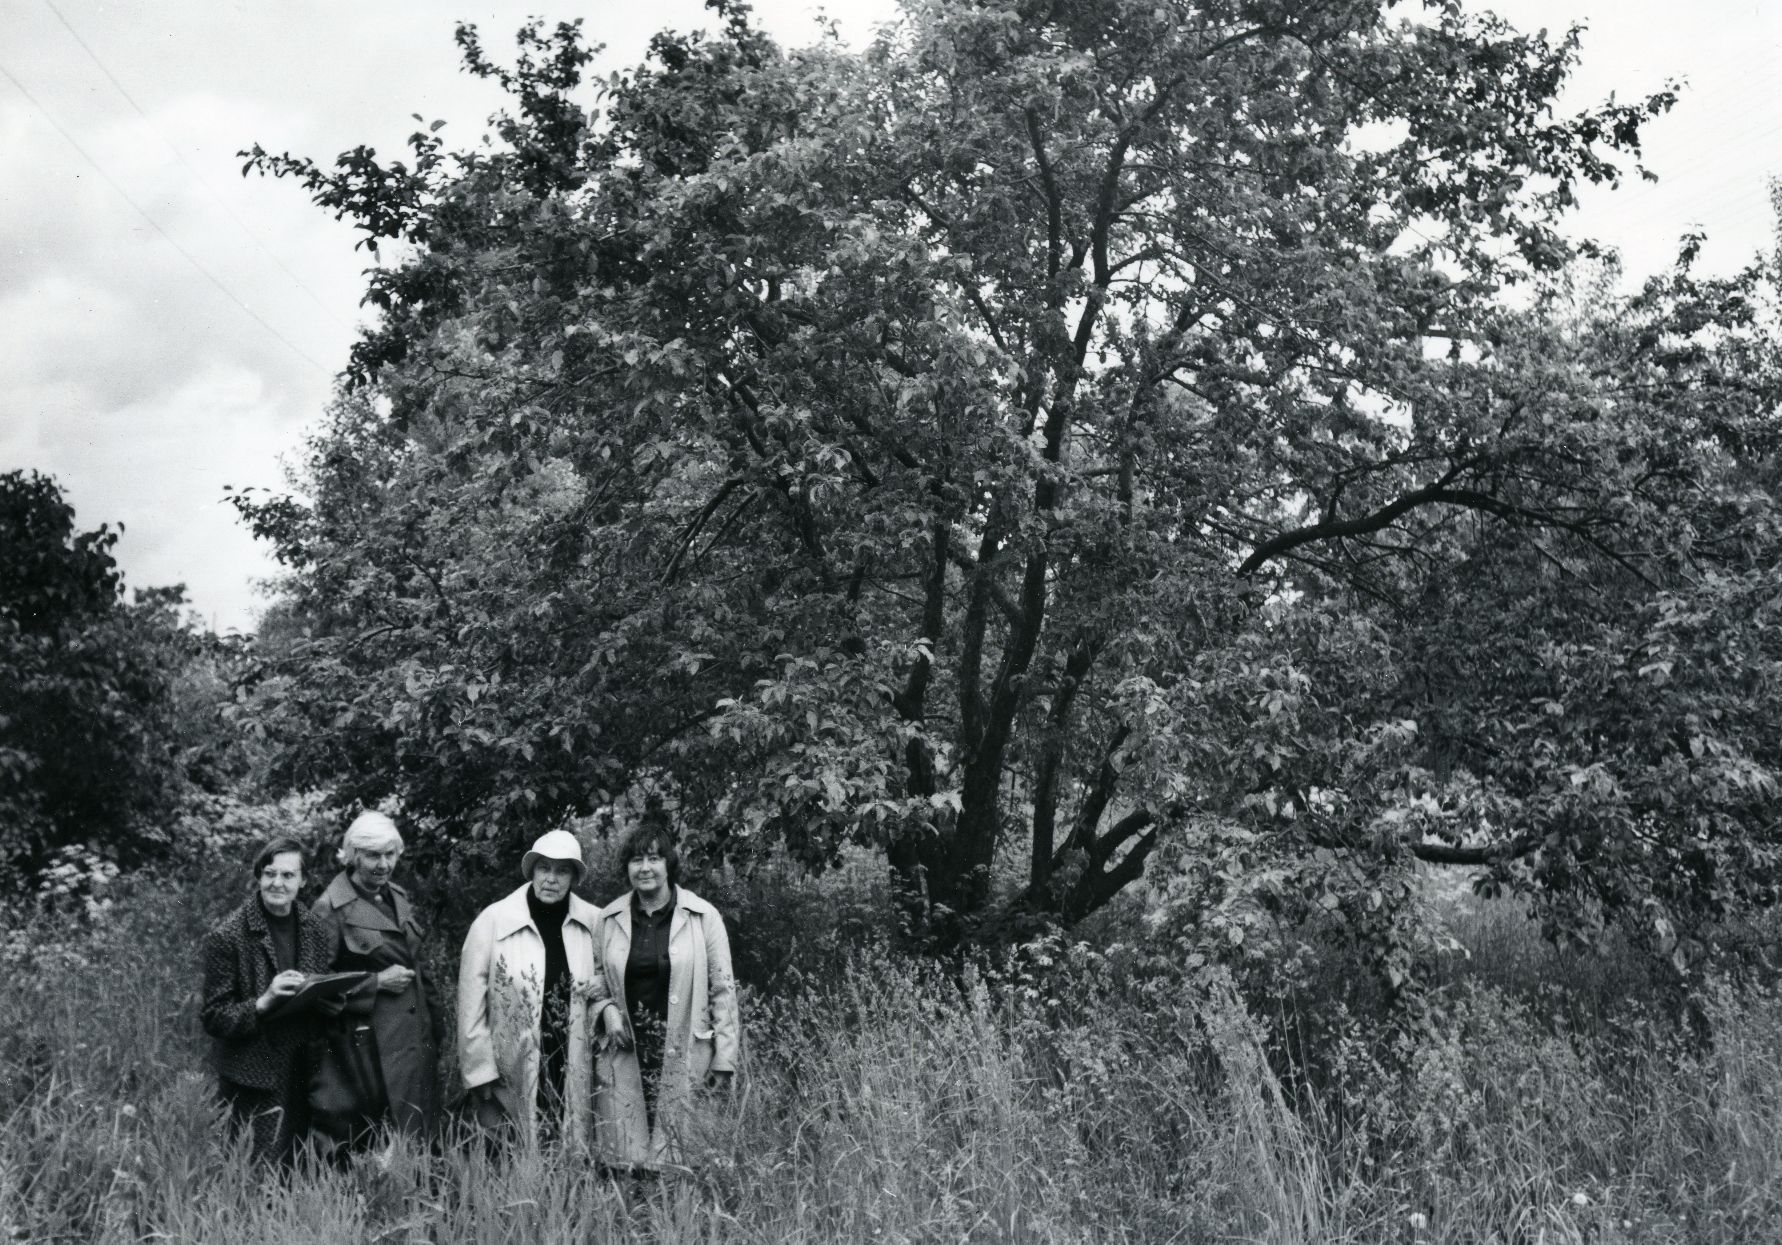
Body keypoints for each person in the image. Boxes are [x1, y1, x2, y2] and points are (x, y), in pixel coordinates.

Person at [586, 818, 739, 1170]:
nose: (645, 868)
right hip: (627, 1050)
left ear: (669, 863)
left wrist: (725, 1058)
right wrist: (606, 1009)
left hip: (686, 1049)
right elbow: (596, 980)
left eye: (654, 858)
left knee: (682, 1156)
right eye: (636, 860)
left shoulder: (704, 917)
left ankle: (678, 1220)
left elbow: (723, 990)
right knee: (627, 1159)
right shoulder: (608, 920)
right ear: (627, 867)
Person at [457, 829, 599, 1150]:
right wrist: (479, 1072)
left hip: (572, 1056)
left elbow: (607, 987)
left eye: (562, 870)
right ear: (532, 871)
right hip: (511, 1064)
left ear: (574, 877)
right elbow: (470, 1005)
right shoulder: (493, 921)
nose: (551, 878)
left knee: (569, 1148)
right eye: (544, 868)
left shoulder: (595, 922)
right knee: (513, 1150)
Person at [199, 836, 334, 1165]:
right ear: (258, 877)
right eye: (270, 873)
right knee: (257, 1171)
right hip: (254, 1074)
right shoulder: (228, 935)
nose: (278, 883)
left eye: (288, 875)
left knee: (299, 1167)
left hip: (303, 1067)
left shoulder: (313, 928)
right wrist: (264, 1001)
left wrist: (329, 997)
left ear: (302, 881)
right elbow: (215, 1016)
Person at [310, 811, 441, 1143]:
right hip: (366, 1046)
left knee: (417, 1132)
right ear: (353, 855)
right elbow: (314, 986)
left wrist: (437, 1025)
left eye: (390, 854)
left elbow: (417, 962)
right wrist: (375, 983)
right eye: (372, 855)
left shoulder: (397, 895)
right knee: (372, 1140)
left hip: (414, 1037)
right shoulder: (329, 908)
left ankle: (415, 1188)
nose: (383, 864)